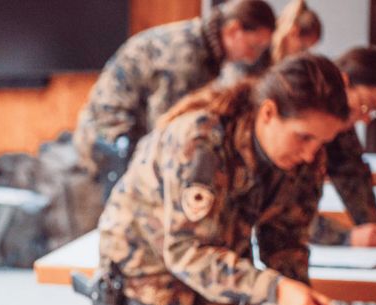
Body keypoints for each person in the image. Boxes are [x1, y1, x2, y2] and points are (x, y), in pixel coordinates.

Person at [91, 53, 349, 305]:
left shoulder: (303, 160)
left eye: (322, 142)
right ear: (268, 113)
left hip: (211, 273)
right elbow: (187, 252)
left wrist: (307, 304)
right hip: (146, 282)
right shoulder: (200, 142)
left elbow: (285, 241)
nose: (310, 153)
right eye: (303, 137)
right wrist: (276, 289)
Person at [72, 0, 276, 195]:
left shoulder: (204, 46)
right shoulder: (185, 58)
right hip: (109, 134)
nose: (253, 57)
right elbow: (164, 129)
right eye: (254, 47)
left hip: (128, 130)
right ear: (233, 30)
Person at [311, 46, 376, 247]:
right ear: (344, 82)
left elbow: (353, 176)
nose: (366, 119)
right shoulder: (302, 119)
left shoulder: (342, 126)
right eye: (365, 104)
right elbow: (285, 214)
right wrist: (346, 237)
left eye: (374, 111)